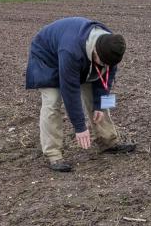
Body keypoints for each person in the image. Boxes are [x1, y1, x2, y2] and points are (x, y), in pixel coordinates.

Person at [25, 17, 136, 171]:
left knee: (102, 102)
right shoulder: (71, 51)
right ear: (95, 51)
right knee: (52, 102)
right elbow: (70, 90)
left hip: (80, 58)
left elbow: (106, 81)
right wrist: (80, 127)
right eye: (102, 63)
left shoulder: (112, 46)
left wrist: (98, 105)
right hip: (47, 57)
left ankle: (108, 141)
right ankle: (53, 154)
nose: (105, 66)